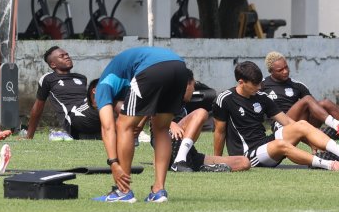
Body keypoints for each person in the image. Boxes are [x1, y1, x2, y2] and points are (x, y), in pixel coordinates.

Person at [92, 45, 191, 203]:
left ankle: (123, 191)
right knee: (162, 129)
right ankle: (158, 191)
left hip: (153, 68)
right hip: (179, 67)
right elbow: (147, 104)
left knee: (123, 125)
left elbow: (108, 127)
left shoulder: (102, 87)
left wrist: (113, 163)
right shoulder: (124, 77)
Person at [90, 76, 241, 173]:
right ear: (185, 84)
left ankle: (195, 164)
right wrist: (170, 124)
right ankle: (179, 161)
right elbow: (150, 114)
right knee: (201, 112)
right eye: (193, 86)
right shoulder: (164, 95)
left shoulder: (181, 103)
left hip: (189, 153)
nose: (194, 90)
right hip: (167, 143)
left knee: (243, 162)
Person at [212, 61, 339, 171]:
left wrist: (310, 141)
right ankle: (329, 165)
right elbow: (219, 131)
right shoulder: (225, 99)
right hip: (246, 154)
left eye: (259, 83)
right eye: (255, 84)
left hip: (264, 144)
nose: (259, 87)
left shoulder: (262, 97)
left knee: (301, 125)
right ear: (241, 82)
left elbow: (288, 123)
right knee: (281, 144)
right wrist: (217, 161)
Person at [23, 46, 100, 141]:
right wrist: (29, 136)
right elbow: (38, 107)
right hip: (75, 115)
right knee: (106, 102)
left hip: (89, 113)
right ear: (53, 64)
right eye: (62, 56)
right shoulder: (48, 79)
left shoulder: (81, 78)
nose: (67, 57)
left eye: (67, 54)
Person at [261, 51, 339, 138]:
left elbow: (315, 108)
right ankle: (335, 125)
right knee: (307, 99)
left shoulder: (297, 85)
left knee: (325, 103)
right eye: (280, 70)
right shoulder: (262, 85)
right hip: (281, 125)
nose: (285, 71)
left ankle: (326, 131)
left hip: (300, 123)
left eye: (286, 67)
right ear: (271, 71)